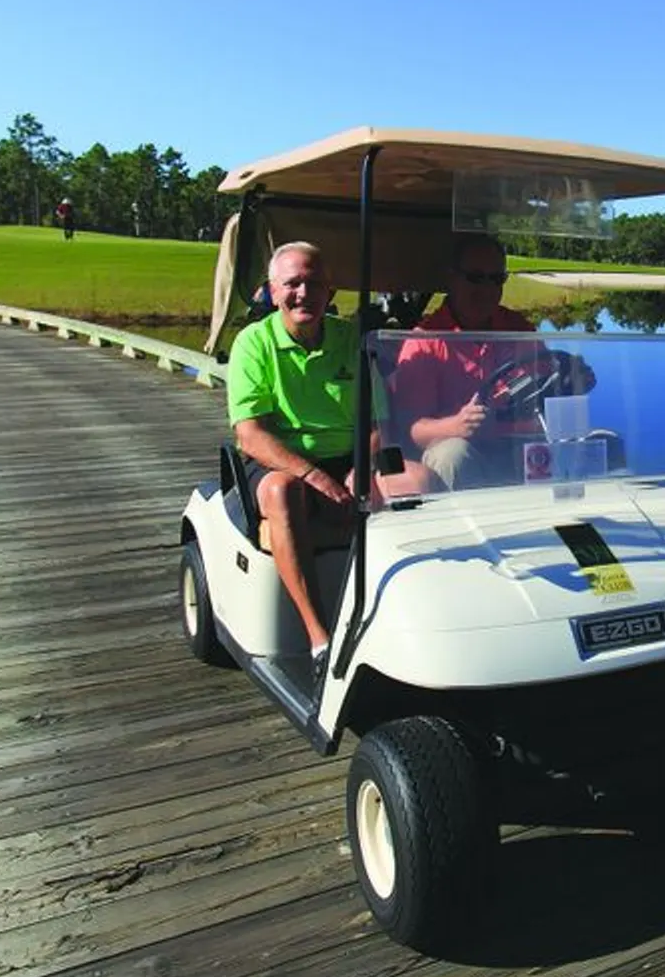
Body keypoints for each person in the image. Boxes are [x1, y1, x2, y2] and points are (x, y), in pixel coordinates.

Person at [226, 241, 374, 677]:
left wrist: (360, 471)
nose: (302, 293)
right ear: (273, 292)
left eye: (313, 283)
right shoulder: (253, 343)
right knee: (282, 491)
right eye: (292, 284)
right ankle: (319, 637)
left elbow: (376, 419)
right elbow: (251, 434)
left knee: (414, 479)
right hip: (281, 461)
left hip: (346, 458)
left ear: (329, 291)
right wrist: (315, 476)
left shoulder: (351, 340)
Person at [390, 233, 564, 490]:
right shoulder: (425, 342)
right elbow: (413, 430)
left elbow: (545, 387)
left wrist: (571, 379)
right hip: (459, 449)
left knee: (603, 442)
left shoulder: (518, 328)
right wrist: (457, 425)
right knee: (454, 455)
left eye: (496, 279)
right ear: (452, 278)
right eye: (475, 278)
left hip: (517, 446)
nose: (487, 289)